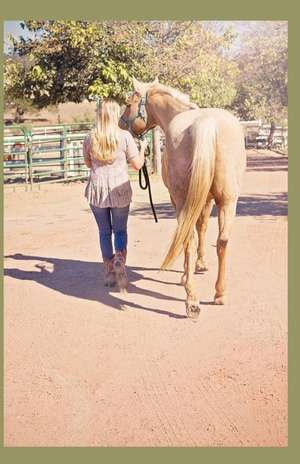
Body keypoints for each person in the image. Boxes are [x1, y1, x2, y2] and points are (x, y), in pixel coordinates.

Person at [83, 99, 147, 291]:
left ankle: (109, 271)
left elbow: (88, 164)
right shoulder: (125, 136)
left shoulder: (90, 137)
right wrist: (143, 149)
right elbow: (137, 165)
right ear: (114, 115)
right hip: (119, 189)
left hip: (97, 189)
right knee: (120, 230)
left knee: (104, 232)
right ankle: (120, 257)